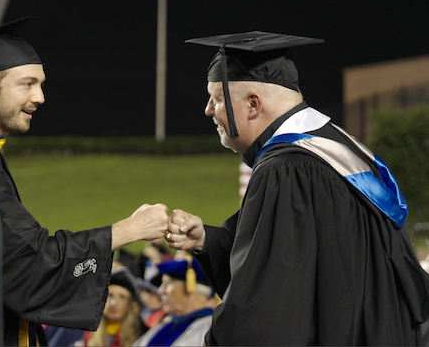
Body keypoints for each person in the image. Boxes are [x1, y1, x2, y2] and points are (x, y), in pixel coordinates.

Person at [0, 16, 169, 346]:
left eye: (40, 84)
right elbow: (26, 265)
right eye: (27, 84)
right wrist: (128, 230)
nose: (40, 97)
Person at [164, 31, 429, 345]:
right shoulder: (337, 149)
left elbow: (266, 306)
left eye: (217, 98)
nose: (209, 109)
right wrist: (209, 242)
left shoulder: (287, 170)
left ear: (252, 104)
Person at [132, 258, 214, 346]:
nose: (161, 291)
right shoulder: (163, 326)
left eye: (167, 283)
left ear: (190, 291)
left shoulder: (211, 329)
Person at [79, 266, 146, 346]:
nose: (114, 303)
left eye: (122, 297)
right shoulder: (89, 330)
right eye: (110, 295)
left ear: (130, 304)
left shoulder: (141, 334)